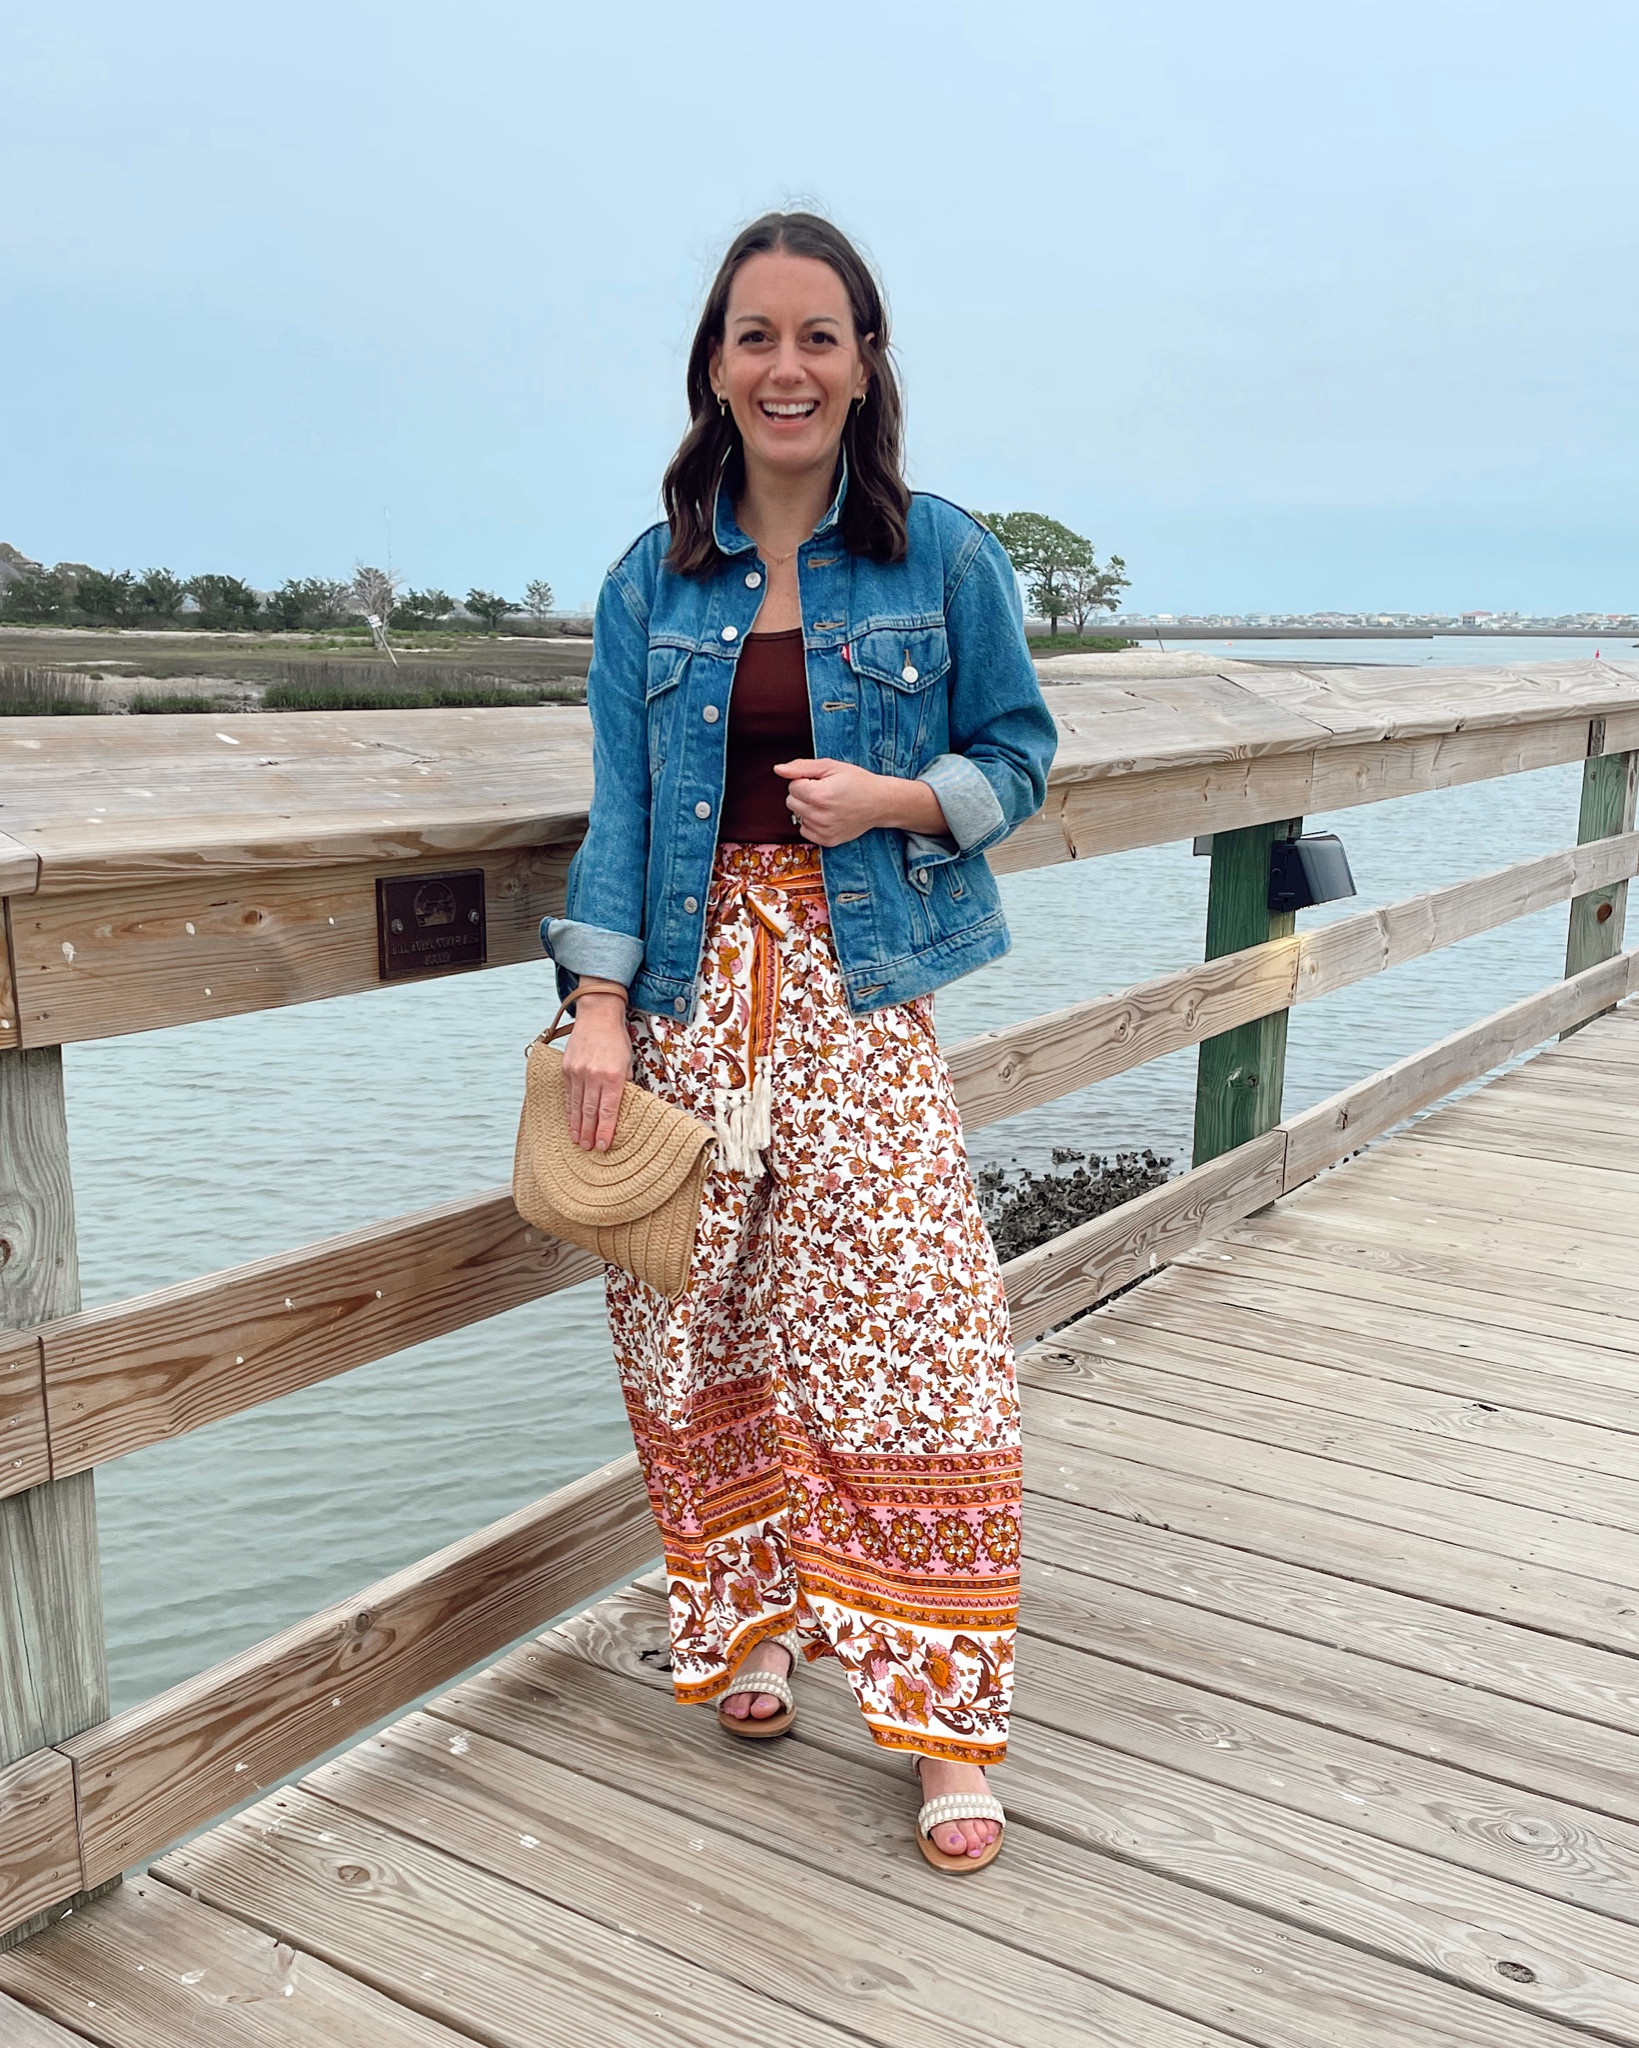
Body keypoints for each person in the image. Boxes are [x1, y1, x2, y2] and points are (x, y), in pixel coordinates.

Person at [543, 210, 1058, 1872]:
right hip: (686, 1003)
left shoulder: (943, 556)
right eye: (755, 336)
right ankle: (748, 1633)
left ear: (863, 361)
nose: (786, 367)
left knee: (923, 1343)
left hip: (857, 991)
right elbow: (623, 819)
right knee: (699, 1329)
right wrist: (600, 1012)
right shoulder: (652, 577)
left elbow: (1022, 756)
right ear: (714, 363)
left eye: (817, 336)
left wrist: (898, 802)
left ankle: (943, 1724)